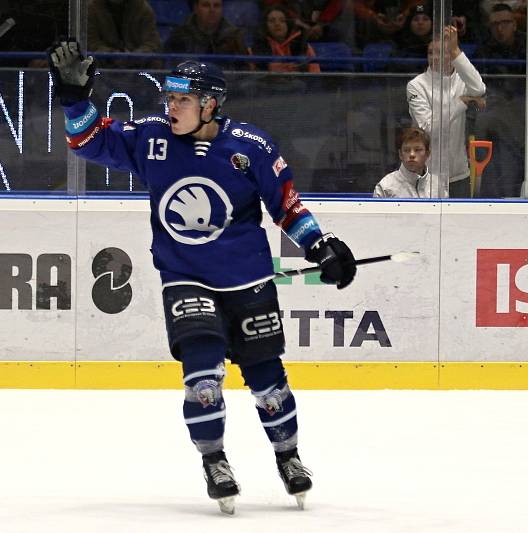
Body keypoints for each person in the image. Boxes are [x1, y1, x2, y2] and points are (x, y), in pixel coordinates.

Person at [48, 39, 357, 514]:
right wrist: (74, 100)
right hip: (185, 278)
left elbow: (287, 206)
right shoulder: (151, 139)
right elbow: (87, 142)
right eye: (169, 99)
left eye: (183, 100)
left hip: (248, 281)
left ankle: (289, 457)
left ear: (210, 104)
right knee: (203, 379)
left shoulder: (250, 147)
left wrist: (321, 244)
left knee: (267, 380)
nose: (171, 107)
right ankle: (215, 460)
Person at [407, 25, 486, 198]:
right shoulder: (416, 85)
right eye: (430, 52)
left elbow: (479, 88)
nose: (434, 57)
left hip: (459, 174)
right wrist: (461, 103)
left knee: (461, 226)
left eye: (441, 52)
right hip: (426, 174)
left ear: (452, 55)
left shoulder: (462, 80)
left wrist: (456, 49)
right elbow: (427, 128)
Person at [164, 0, 251, 69]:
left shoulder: (234, 36)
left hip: (227, 87)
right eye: (206, 5)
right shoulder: (179, 36)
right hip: (191, 88)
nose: (212, 10)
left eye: (216, 6)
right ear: (196, 8)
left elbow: (243, 73)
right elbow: (172, 72)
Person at [87, 0, 162, 68]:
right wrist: (113, 55)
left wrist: (133, 57)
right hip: (104, 62)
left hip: (137, 63)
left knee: (155, 62)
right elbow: (91, 43)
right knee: (90, 61)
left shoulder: (143, 8)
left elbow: (151, 42)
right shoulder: (91, 9)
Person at [252, 5, 320, 72]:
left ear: (288, 24)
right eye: (272, 21)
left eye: (282, 20)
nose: (277, 24)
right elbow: (255, 72)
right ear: (265, 26)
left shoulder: (302, 44)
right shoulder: (258, 45)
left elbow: (314, 73)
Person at [373, 126, 433, 197]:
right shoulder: (385, 186)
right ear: (400, 154)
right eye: (407, 150)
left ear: (427, 154)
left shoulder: (438, 187)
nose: (412, 154)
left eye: (417, 150)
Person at [475, 3, 527, 74]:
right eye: (495, 24)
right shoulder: (483, 49)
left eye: (505, 22)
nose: (499, 29)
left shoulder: (525, 43)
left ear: (514, 25)